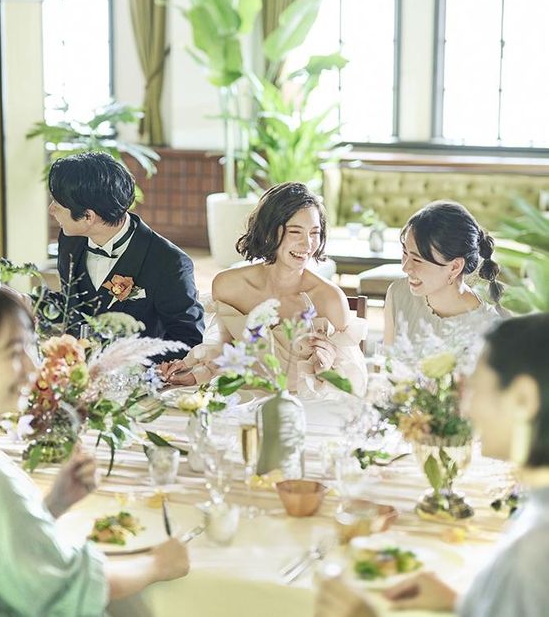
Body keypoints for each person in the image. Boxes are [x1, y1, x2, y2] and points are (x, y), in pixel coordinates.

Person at [0, 283, 189, 617]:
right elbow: (64, 588)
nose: (33, 369)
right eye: (13, 353)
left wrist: (54, 503)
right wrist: (157, 563)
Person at [316, 313, 549, 617]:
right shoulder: (537, 506)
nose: (466, 409)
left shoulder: (534, 552)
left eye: (476, 390)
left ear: (523, 399)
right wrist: (460, 602)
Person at [159, 183, 367, 398]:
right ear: (268, 231)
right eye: (295, 232)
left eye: (315, 233)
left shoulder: (328, 299)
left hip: (303, 405)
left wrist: (326, 369)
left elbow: (353, 385)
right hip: (241, 402)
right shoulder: (229, 286)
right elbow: (226, 353)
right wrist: (194, 375)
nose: (307, 244)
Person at [47, 152, 203, 355]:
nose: (51, 209)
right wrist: (28, 303)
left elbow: (188, 340)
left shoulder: (170, 263)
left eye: (57, 204)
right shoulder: (70, 240)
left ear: (88, 216)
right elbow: (75, 303)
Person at [384, 201, 503, 348]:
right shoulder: (399, 294)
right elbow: (388, 360)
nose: (405, 267)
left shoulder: (487, 328)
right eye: (405, 252)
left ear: (455, 267)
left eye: (417, 259)